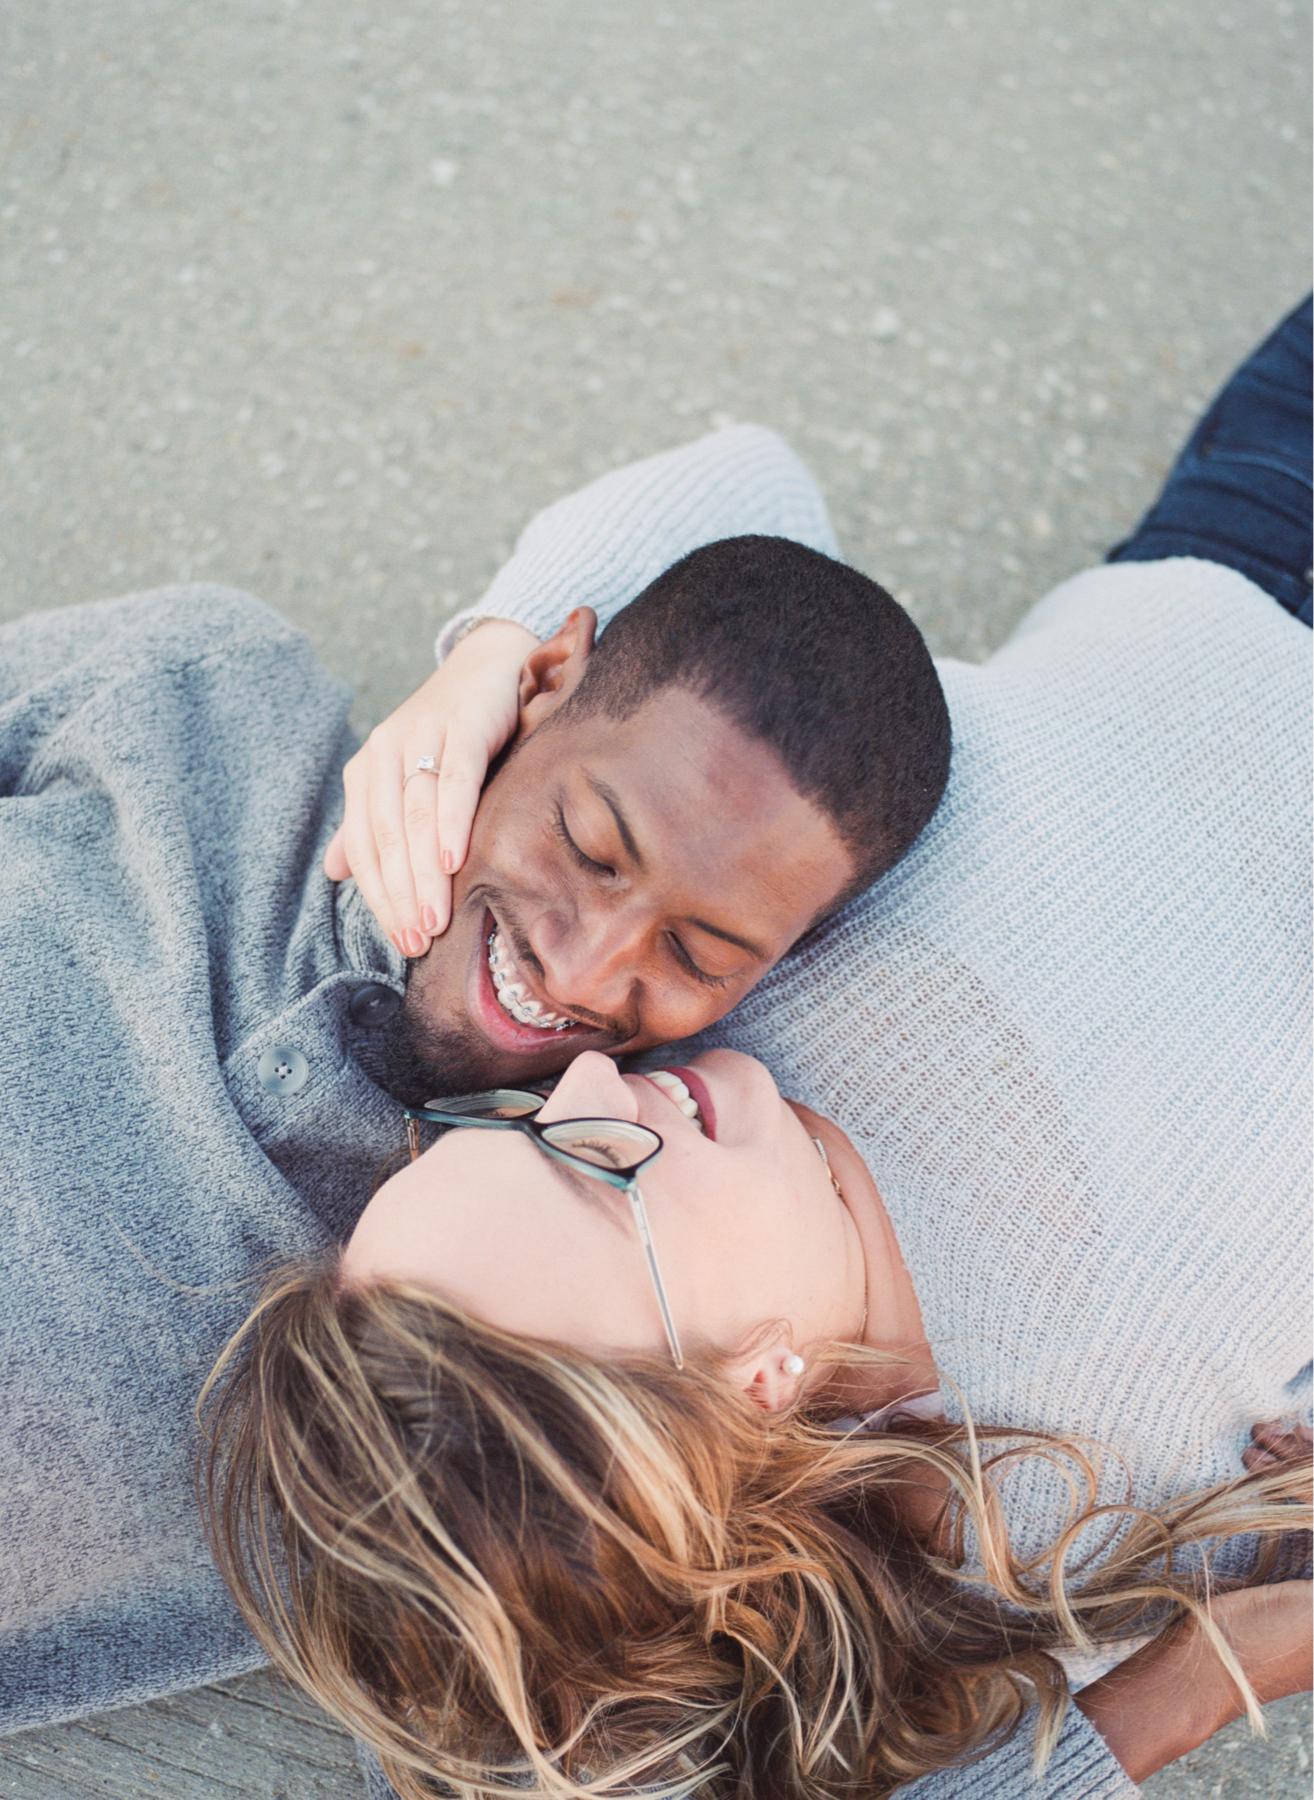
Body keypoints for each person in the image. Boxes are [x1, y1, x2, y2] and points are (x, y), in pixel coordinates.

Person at [201, 300, 1313, 1797]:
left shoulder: (718, 979)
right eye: (594, 1167)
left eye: (504, 1122)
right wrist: (1214, 1670)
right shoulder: (1056, 1502)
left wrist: (490, 668)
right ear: (750, 1386)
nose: (584, 1070)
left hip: (1238, 541)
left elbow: (745, 499)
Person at [0, 440, 951, 1755]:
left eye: (698, 954)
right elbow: (757, 474)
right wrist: (493, 644)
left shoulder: (522, 1350)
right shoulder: (212, 696)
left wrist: (901, 1387)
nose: (585, 970)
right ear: (544, 694)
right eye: (588, 846)